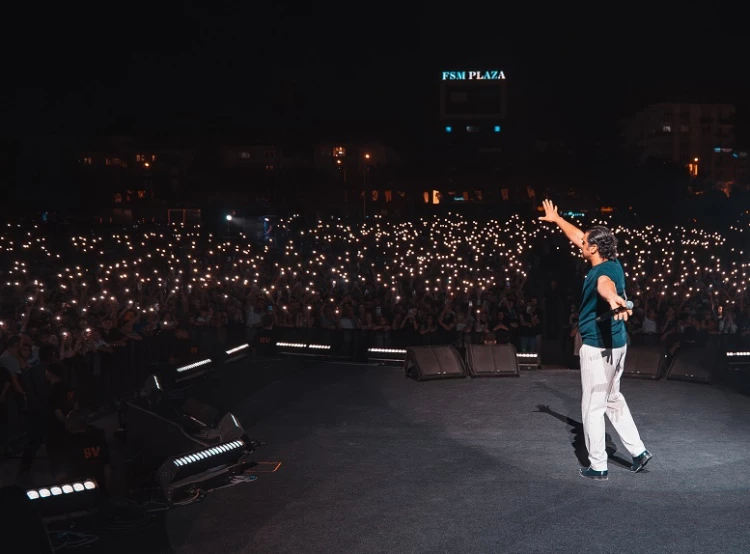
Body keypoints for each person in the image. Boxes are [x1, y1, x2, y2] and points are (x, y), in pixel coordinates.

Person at [538, 199, 652, 481]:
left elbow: (605, 287)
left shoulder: (602, 273)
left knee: (592, 407)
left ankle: (598, 466)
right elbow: (578, 236)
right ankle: (638, 451)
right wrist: (558, 219)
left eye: (585, 243)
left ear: (593, 248)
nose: (580, 243)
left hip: (599, 348)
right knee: (612, 398)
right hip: (618, 345)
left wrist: (613, 299)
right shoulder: (611, 262)